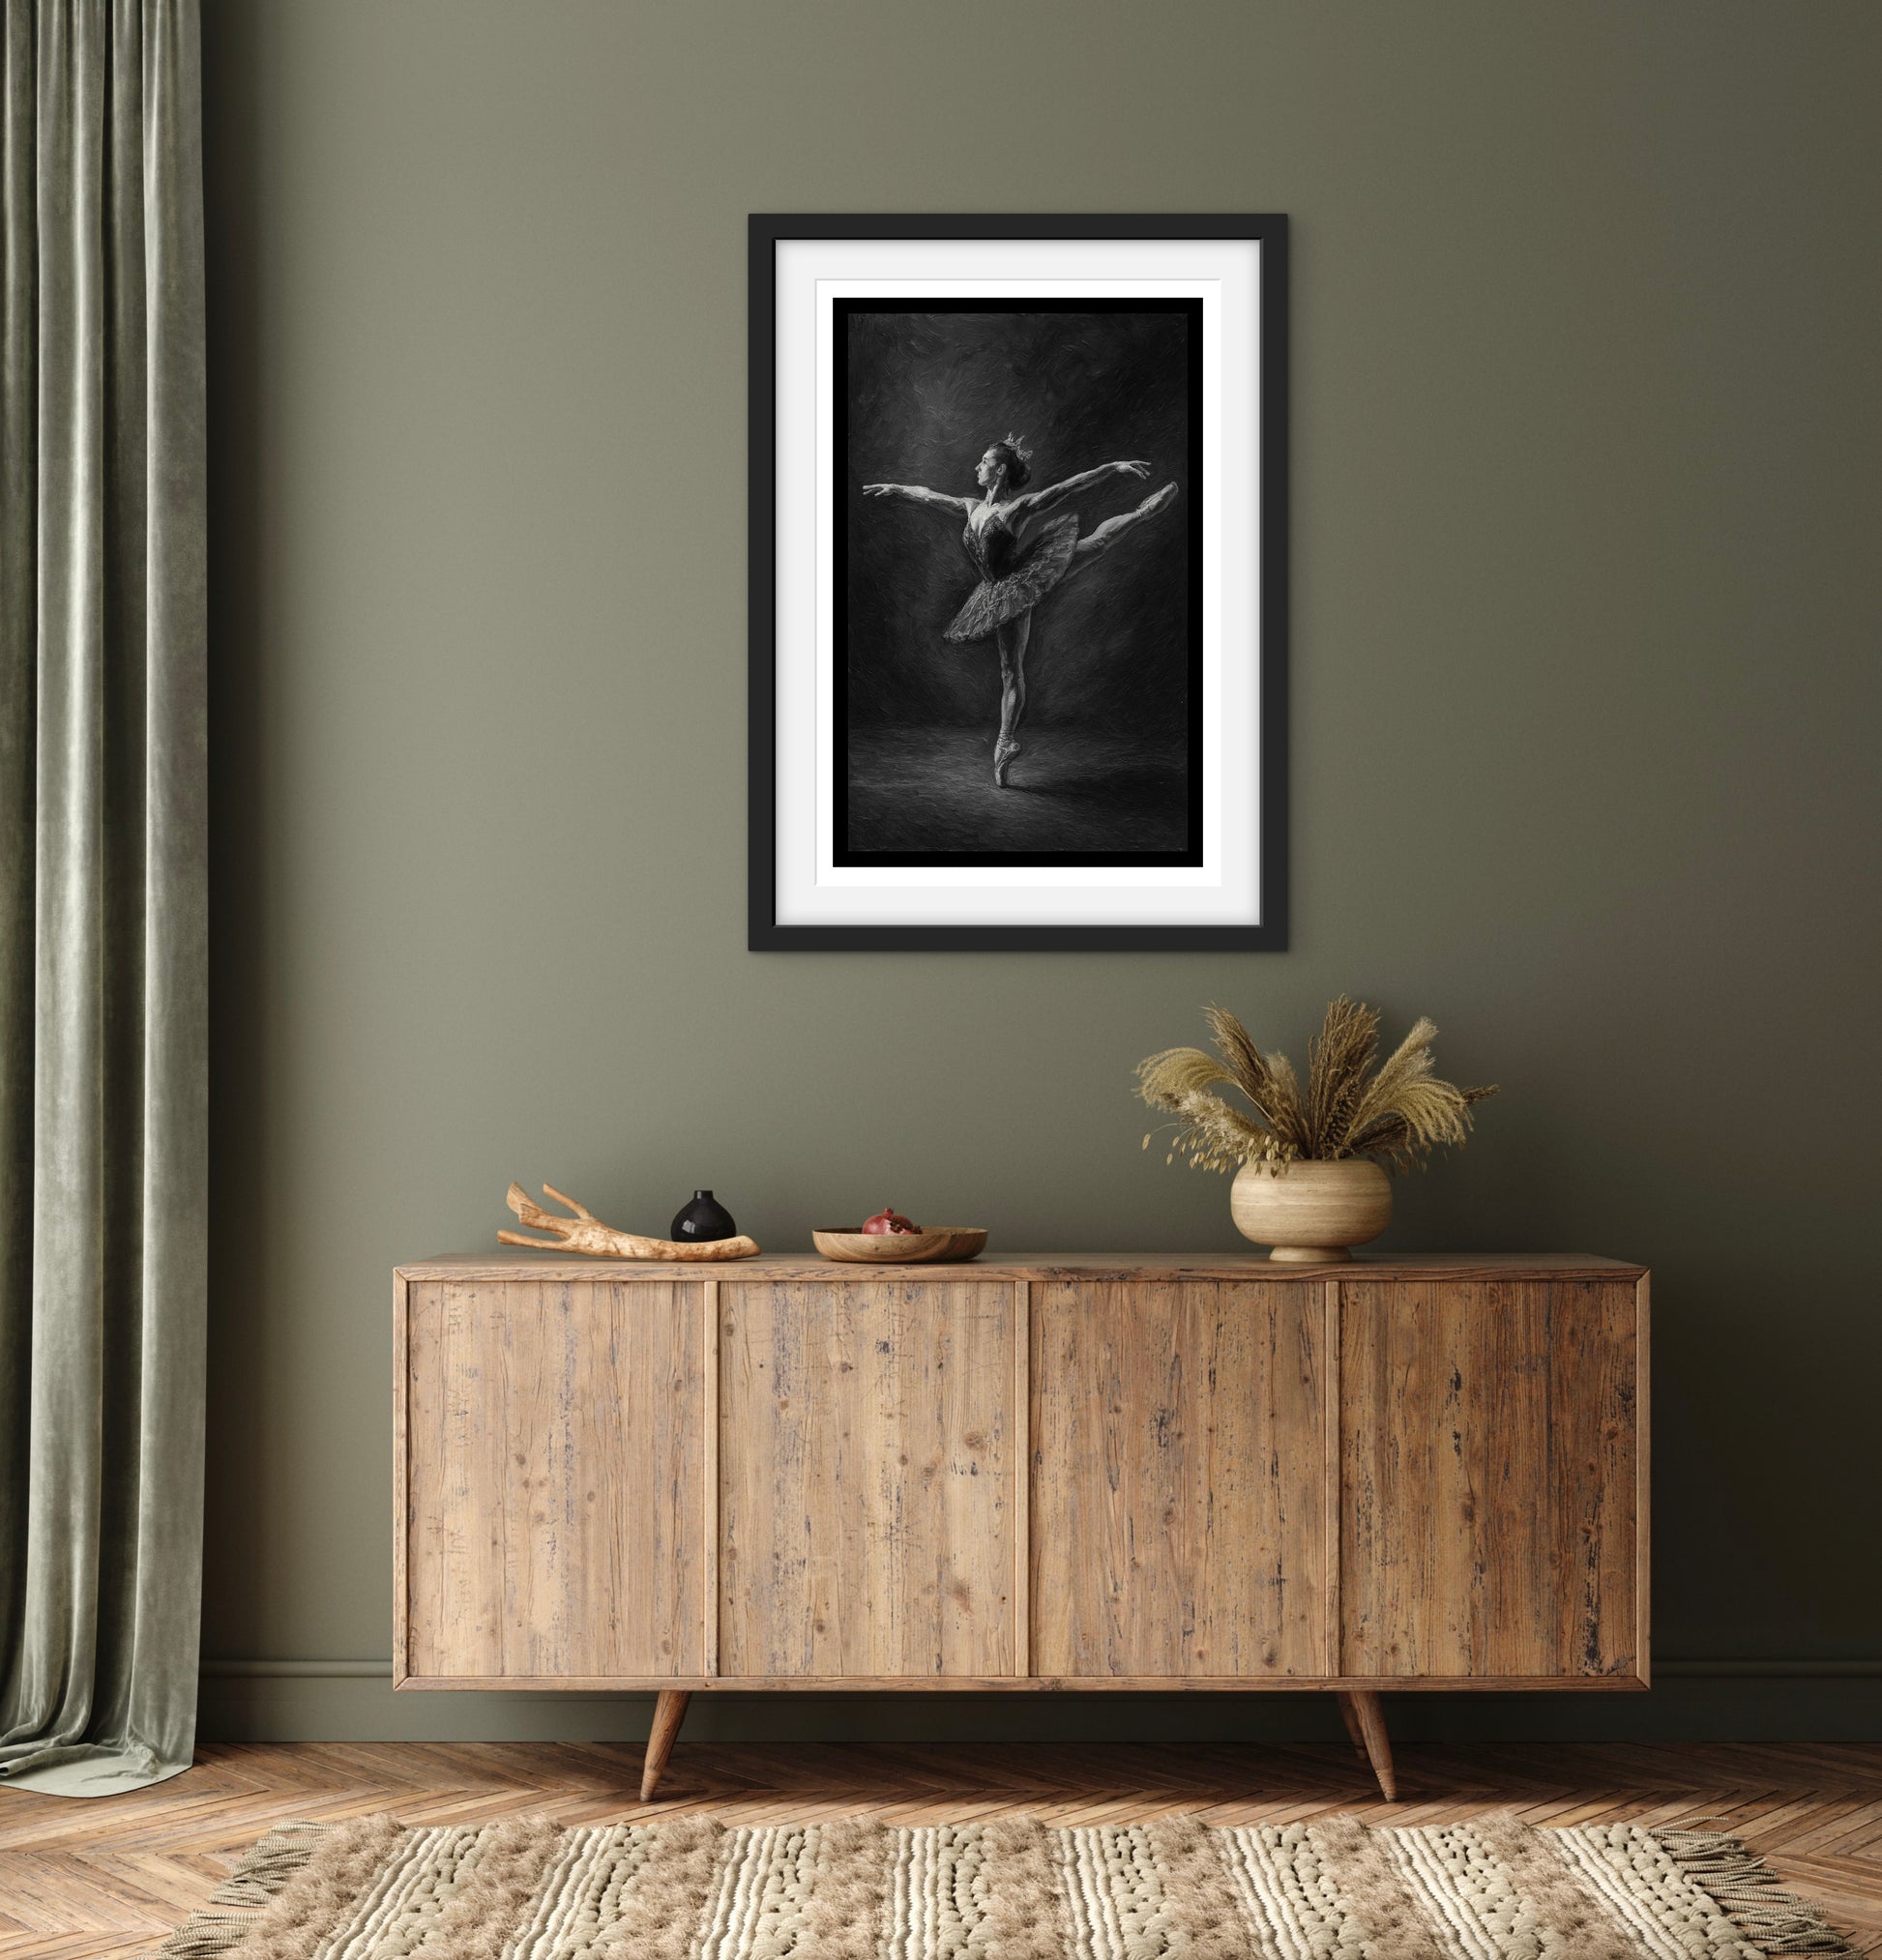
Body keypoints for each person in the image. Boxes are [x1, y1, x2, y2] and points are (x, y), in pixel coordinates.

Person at [863, 435, 1178, 786]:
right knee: (1009, 670)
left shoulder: (1016, 509)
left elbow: (1066, 488)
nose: (976, 467)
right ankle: (1004, 748)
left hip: (1023, 580)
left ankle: (1142, 512)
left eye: (983, 461)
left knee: (1095, 544)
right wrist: (895, 487)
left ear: (999, 469)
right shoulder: (970, 506)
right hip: (994, 590)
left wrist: (1111, 467)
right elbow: (927, 495)